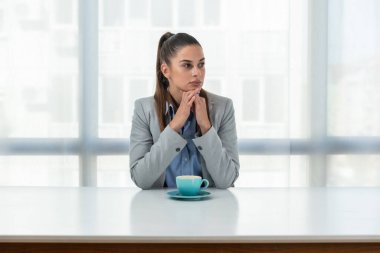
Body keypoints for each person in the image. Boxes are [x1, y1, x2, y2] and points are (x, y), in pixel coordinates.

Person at [129, 32, 239, 189]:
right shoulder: (144, 109)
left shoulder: (223, 107)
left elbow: (227, 180)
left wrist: (206, 128)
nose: (197, 73)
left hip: (211, 210)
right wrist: (174, 126)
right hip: (160, 210)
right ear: (166, 71)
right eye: (187, 65)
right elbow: (141, 179)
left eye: (201, 64)